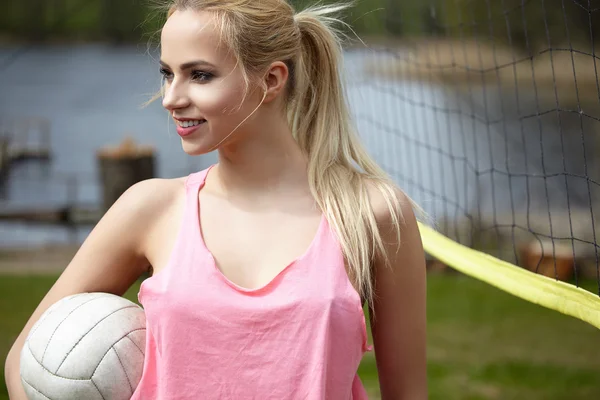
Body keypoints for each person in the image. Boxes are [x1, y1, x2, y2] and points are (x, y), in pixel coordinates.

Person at [4, 0, 427, 398]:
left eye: (199, 75)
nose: (171, 98)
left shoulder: (371, 214)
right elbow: (22, 362)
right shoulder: (151, 209)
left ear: (271, 80)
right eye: (167, 73)